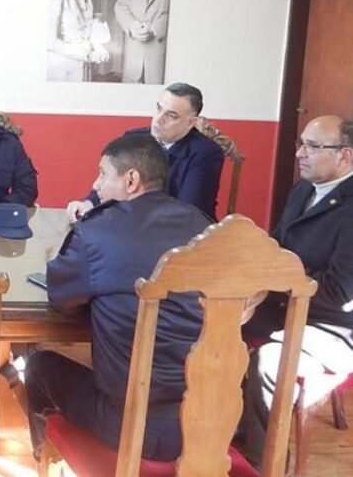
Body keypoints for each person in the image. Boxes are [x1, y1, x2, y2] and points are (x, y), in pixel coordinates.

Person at [25, 133, 211, 462]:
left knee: (38, 364)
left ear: (131, 180)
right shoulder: (204, 227)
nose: (96, 186)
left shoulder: (98, 231)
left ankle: (47, 458)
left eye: (103, 174)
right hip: (205, 420)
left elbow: (61, 298)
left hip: (126, 425)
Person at [241, 116, 353, 468]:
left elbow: (338, 291)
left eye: (313, 146)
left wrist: (275, 278)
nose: (300, 153)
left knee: (269, 363)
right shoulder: (303, 189)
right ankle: (212, 427)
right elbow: (274, 248)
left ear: (345, 156)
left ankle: (260, 462)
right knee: (202, 321)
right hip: (282, 306)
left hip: (332, 326)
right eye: (300, 143)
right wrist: (250, 292)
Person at [66, 83, 223, 221]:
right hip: (134, 223)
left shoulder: (206, 153)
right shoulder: (134, 139)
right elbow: (111, 179)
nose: (159, 119)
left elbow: (188, 210)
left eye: (171, 115)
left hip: (184, 235)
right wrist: (89, 203)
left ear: (191, 122)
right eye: (159, 109)